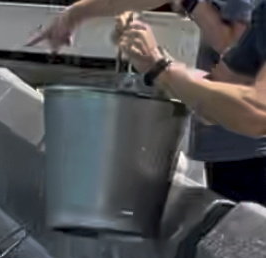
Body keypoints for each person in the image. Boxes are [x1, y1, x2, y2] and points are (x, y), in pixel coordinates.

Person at [31, 0, 266, 203]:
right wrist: (156, 65)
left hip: (250, 157)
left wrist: (162, 67)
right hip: (230, 147)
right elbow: (220, 92)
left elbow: (256, 113)